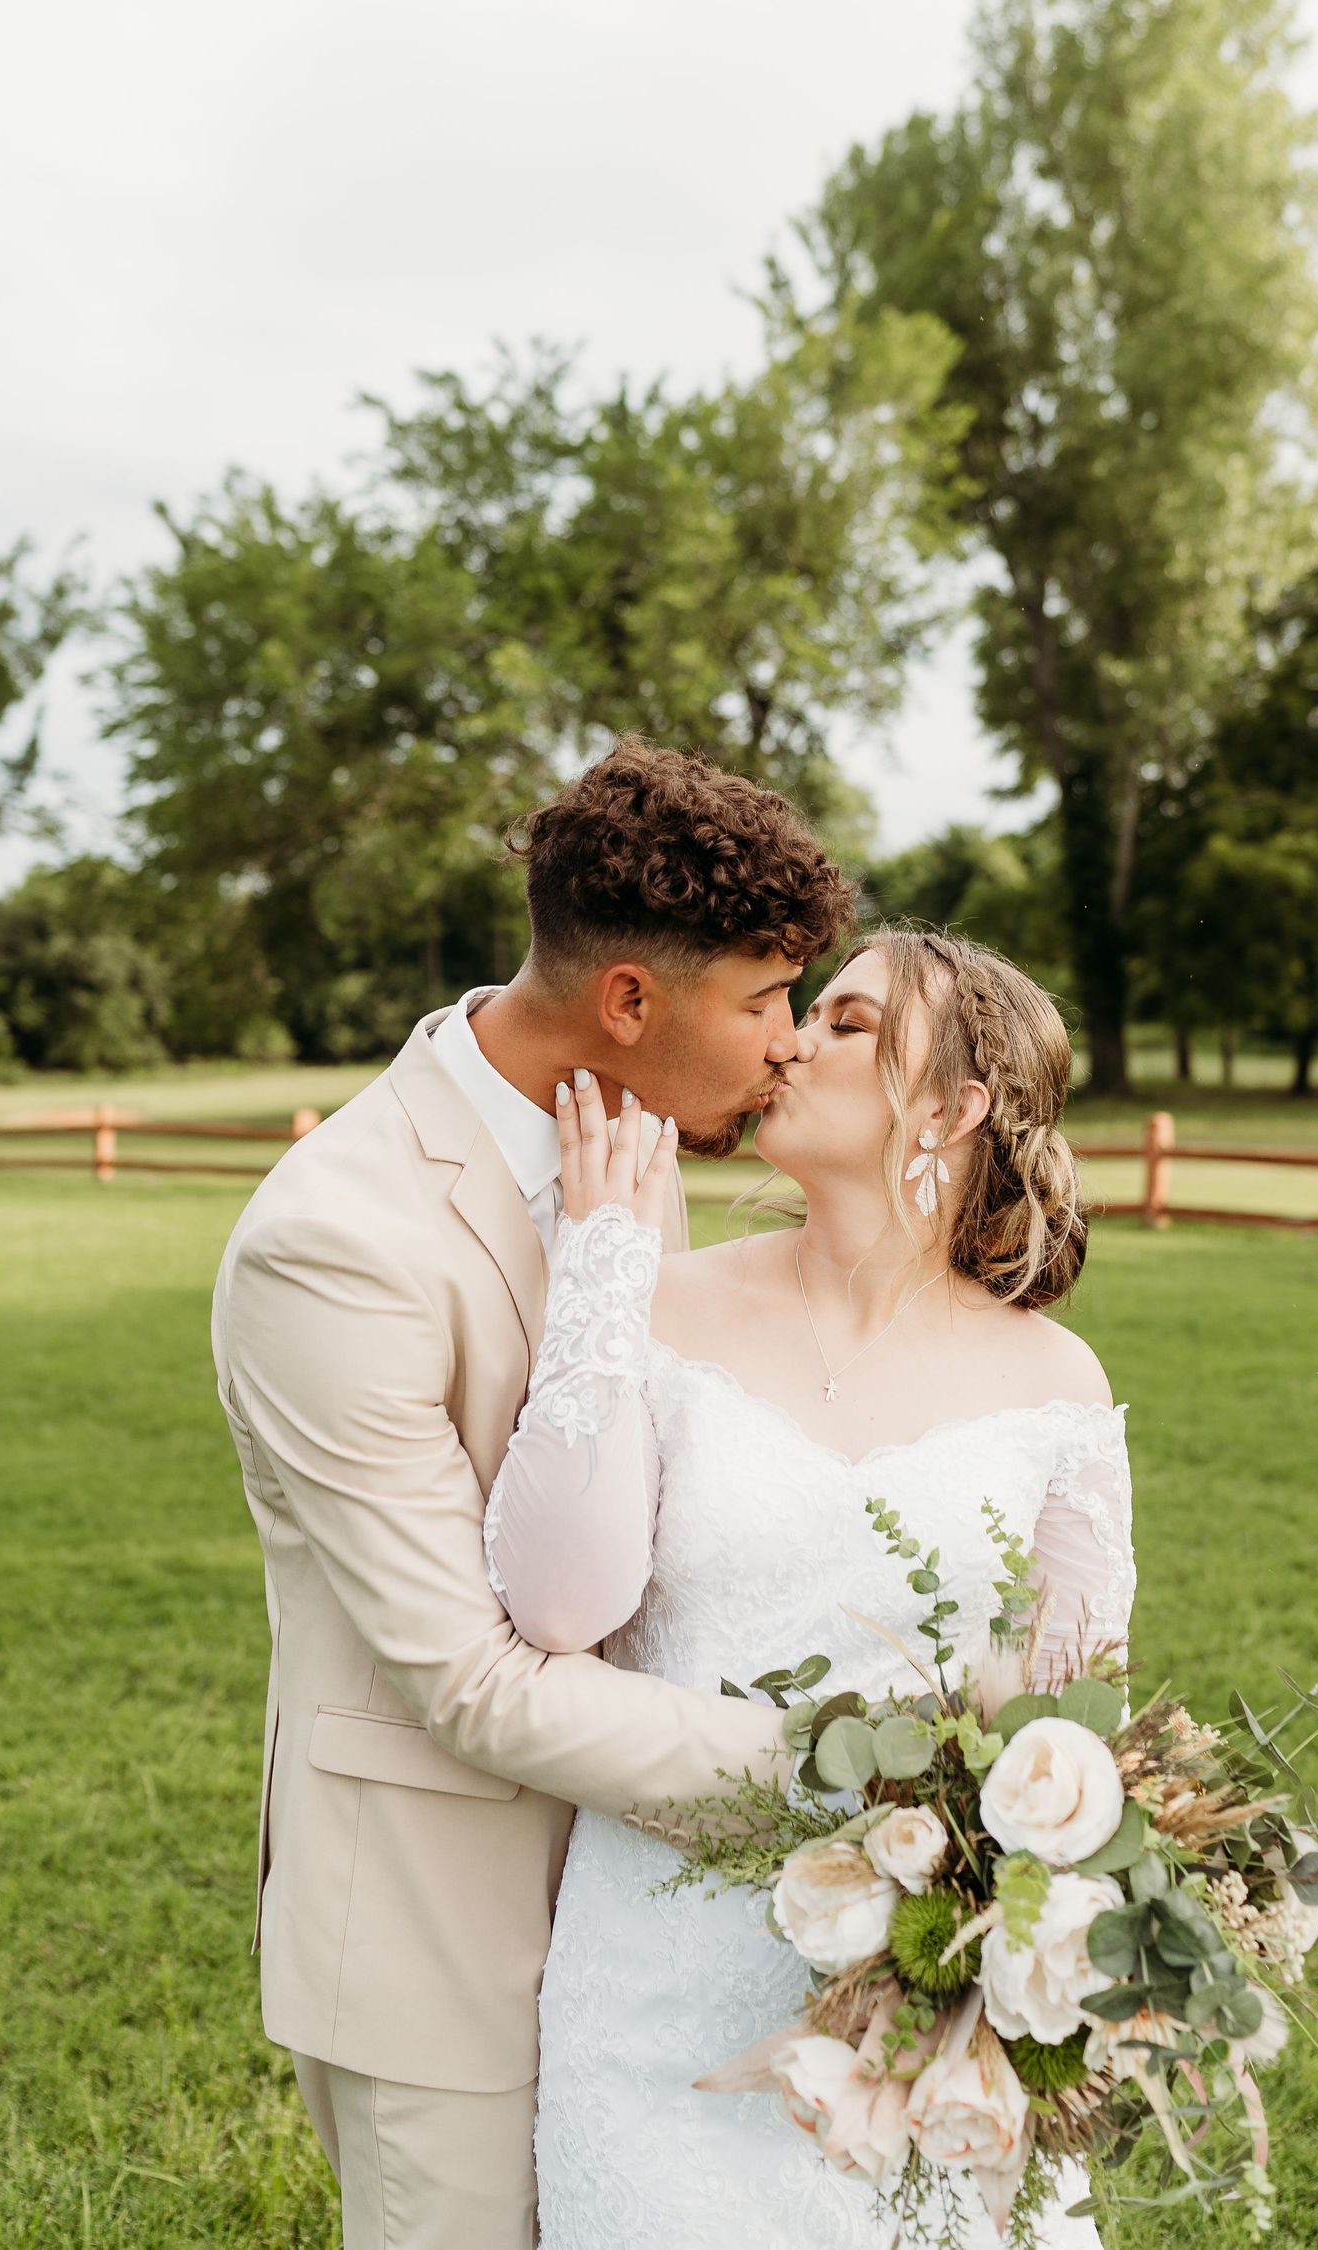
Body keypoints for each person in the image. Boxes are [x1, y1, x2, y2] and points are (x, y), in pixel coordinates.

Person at [210, 738, 853, 2249]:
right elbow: (472, 1680)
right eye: (763, 1000)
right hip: (443, 1941)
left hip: (647, 1926)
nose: (787, 1046)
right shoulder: (335, 1243)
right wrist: (845, 1779)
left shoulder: (630, 1138)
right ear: (629, 1000)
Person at [483, 928, 1136, 2249]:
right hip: (656, 1980)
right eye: (804, 1010)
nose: (790, 1039)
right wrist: (605, 1260)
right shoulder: (656, 1301)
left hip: (921, 2000)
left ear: (950, 1105)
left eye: (846, 1022)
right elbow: (556, 1607)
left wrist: (999, 1928)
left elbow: (1075, 1725)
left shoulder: (1055, 1383)